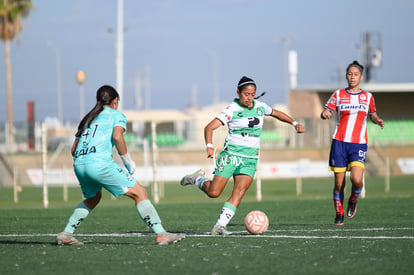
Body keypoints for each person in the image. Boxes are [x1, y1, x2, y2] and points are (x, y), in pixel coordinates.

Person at [56, 85, 185, 245]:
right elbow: (118, 137)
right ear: (115, 101)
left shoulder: (88, 119)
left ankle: (67, 233)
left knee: (92, 198)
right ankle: (162, 234)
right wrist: (128, 161)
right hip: (99, 164)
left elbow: (73, 149)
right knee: (140, 193)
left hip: (79, 164)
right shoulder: (116, 115)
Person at [180, 76, 305, 235]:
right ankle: (197, 179)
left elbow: (276, 113)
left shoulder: (260, 106)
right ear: (238, 93)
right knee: (214, 192)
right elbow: (209, 127)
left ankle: (219, 226)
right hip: (231, 155)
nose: (250, 98)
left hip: (250, 158)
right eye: (246, 94)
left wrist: (294, 124)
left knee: (239, 191)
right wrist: (210, 146)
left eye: (252, 94)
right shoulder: (232, 109)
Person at [320, 61, 384, 226]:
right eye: (349, 74)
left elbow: (373, 114)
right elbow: (326, 110)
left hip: (358, 144)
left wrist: (377, 120)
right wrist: (325, 113)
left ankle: (353, 199)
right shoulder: (338, 94)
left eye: (355, 74)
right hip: (340, 142)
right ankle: (339, 212)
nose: (352, 77)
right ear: (346, 75)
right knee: (339, 183)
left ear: (361, 77)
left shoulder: (368, 96)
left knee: (357, 180)